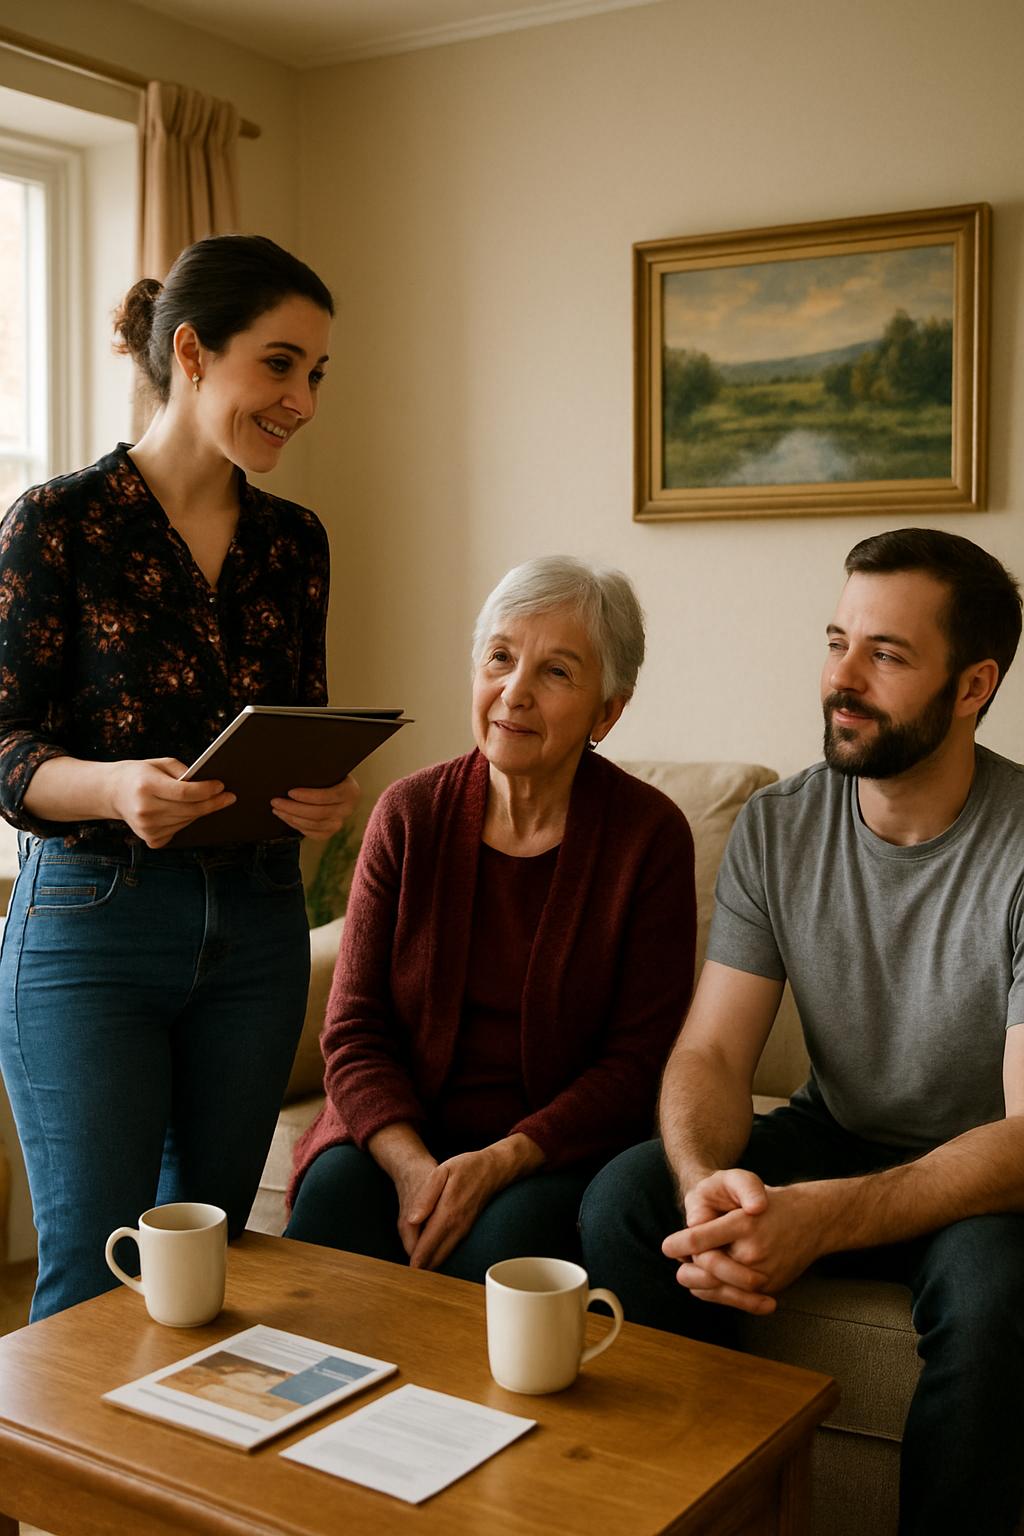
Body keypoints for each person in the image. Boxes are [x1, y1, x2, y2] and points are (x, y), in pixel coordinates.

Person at [580, 527, 1024, 1536]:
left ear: (971, 685)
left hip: (981, 1173)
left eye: (886, 654)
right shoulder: (779, 826)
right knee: (629, 1199)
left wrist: (821, 1218)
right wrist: (705, 1186)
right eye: (836, 642)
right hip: (837, 1129)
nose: (843, 679)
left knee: (996, 1298)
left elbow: (1022, 1135)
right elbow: (712, 1053)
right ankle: (705, 1511)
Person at [0, 234, 358, 1320]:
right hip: (92, 930)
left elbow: (296, 722)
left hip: (255, 930)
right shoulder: (55, 523)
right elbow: (5, 747)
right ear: (193, 352)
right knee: (94, 1280)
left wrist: (323, 797)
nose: (301, 400)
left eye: (316, 375)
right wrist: (114, 789)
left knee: (207, 1275)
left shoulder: (296, 544)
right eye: (281, 365)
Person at [286, 555, 696, 1282]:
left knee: (499, 1249)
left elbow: (637, 1063)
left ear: (608, 710)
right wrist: (414, 1167)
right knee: (332, 1204)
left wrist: (503, 1159)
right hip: (400, 1133)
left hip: (551, 1151)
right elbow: (352, 1031)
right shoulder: (408, 814)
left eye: (557, 672)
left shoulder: (649, 837)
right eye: (500, 658)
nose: (515, 692)